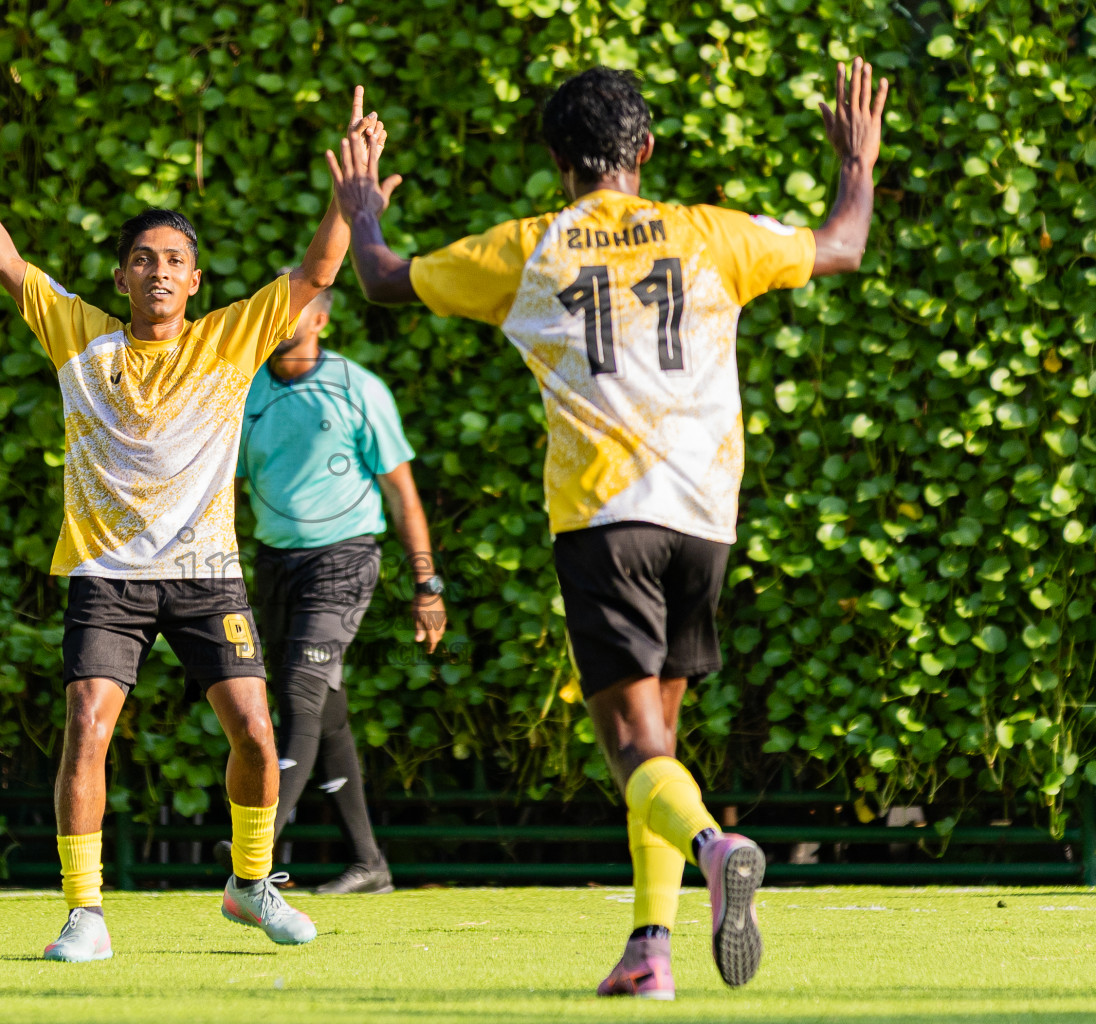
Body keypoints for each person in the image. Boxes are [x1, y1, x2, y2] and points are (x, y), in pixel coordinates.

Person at [328, 63, 888, 997]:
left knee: (631, 750)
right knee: (659, 741)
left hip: (604, 518)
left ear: (555, 159)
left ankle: (715, 847)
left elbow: (383, 281)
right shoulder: (712, 236)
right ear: (647, 151)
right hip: (704, 521)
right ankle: (650, 952)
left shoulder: (530, 246)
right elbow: (842, 245)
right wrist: (856, 162)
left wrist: (360, 205)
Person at [0, 77, 386, 962]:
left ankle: (249, 885)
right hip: (105, 577)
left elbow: (319, 272)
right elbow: (5, 260)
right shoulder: (79, 337)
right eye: (144, 258)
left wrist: (347, 192)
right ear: (123, 275)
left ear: (195, 281)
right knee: (87, 726)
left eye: (174, 260)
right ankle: (84, 914)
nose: (160, 270)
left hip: (208, 574)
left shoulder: (230, 338)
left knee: (256, 730)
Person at [218, 279, 447, 895]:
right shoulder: (247, 390)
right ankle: (369, 863)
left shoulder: (360, 389)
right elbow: (228, 490)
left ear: (319, 320)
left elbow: (402, 491)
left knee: (297, 691)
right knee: (326, 712)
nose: (281, 318)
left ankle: (254, 848)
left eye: (294, 309)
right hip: (274, 564)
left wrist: (427, 582)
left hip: (345, 560)